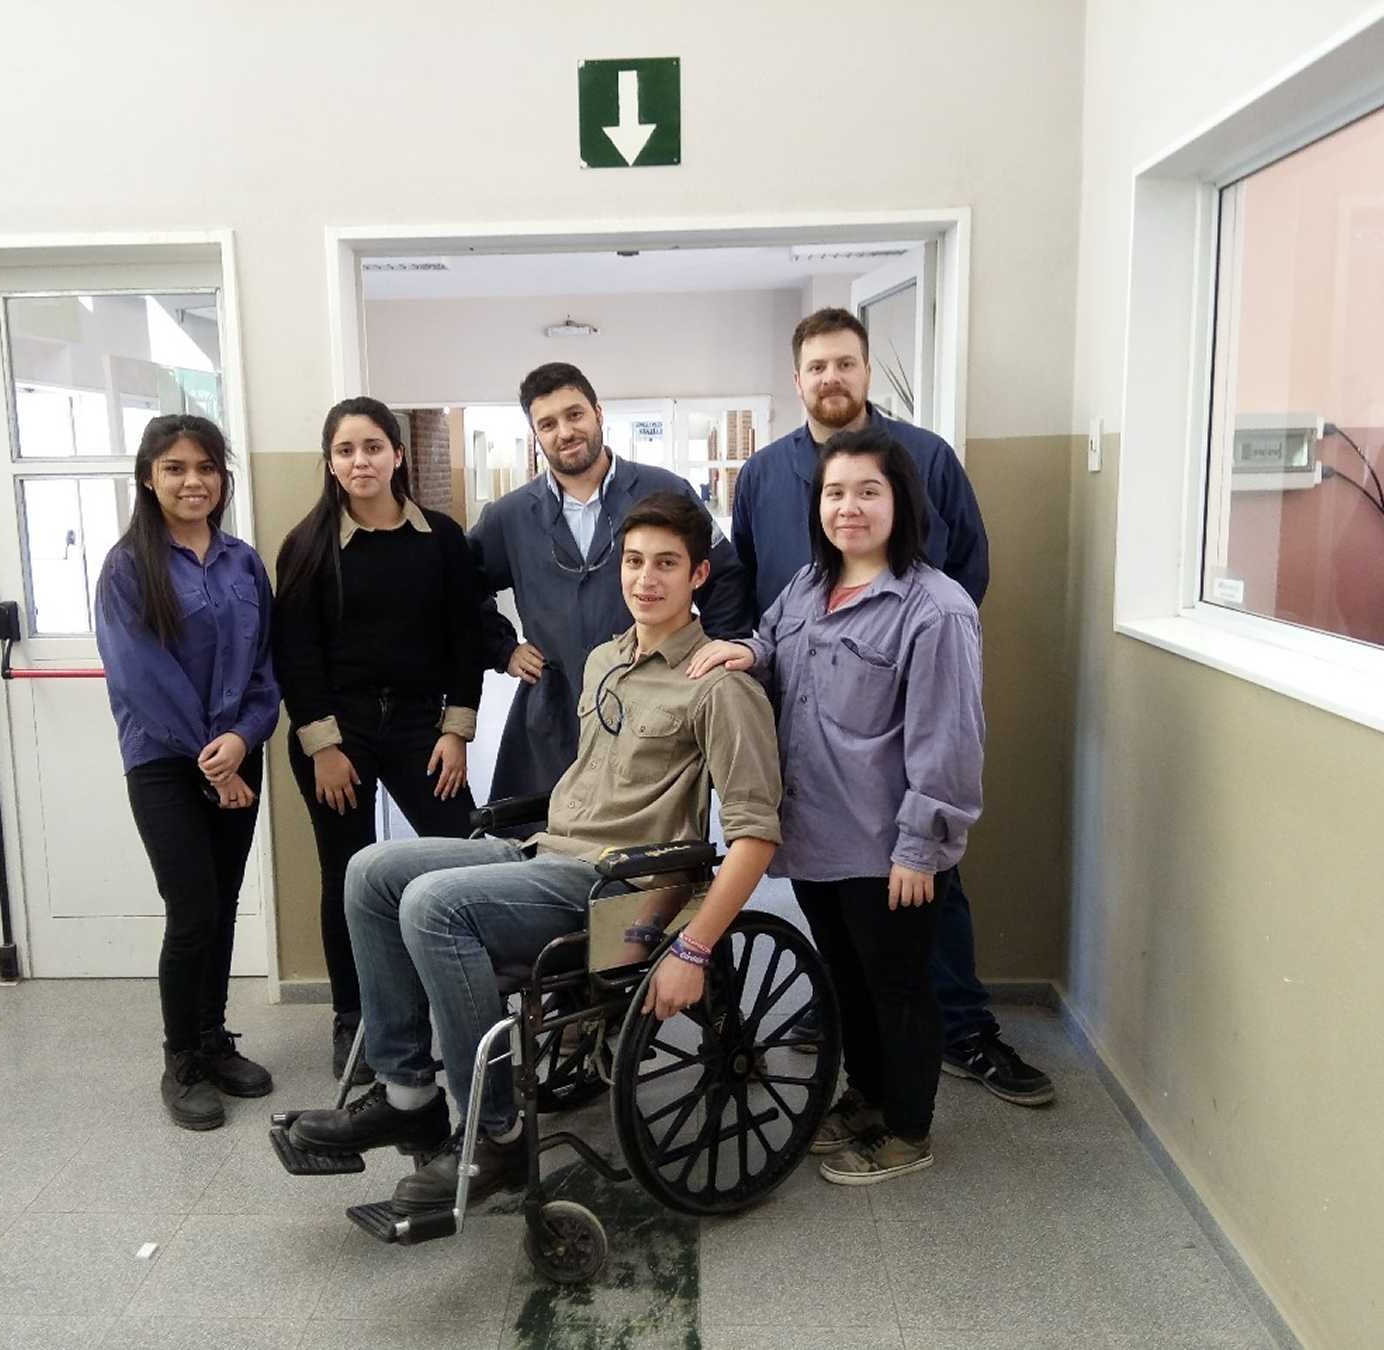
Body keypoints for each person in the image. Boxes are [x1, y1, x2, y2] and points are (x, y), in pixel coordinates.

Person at [287, 491, 782, 1215]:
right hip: (548, 850)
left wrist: (694, 950)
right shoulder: (606, 660)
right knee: (370, 871)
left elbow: (756, 836)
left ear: (699, 576)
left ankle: (497, 1132)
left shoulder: (720, 685)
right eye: (636, 561)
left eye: (668, 565)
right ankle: (408, 1096)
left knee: (433, 905)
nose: (647, 579)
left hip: (620, 886)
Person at [730, 307, 1051, 1106]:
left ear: (867, 371)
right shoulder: (767, 479)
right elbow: (760, 595)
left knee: (922, 895)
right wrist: (750, 651)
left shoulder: (928, 465)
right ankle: (853, 1029)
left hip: (897, 744)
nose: (831, 378)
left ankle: (965, 1032)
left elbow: (964, 575)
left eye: (846, 363)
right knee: (845, 924)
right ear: (796, 378)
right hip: (810, 747)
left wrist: (910, 653)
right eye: (816, 366)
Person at [690, 427, 984, 1183]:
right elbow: (775, 642)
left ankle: (907, 1130)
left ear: (900, 502)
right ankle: (866, 1096)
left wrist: (921, 846)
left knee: (899, 992)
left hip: (888, 847)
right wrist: (745, 652)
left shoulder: (935, 609)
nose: (848, 507)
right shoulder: (807, 588)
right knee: (846, 984)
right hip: (818, 836)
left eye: (867, 491)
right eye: (834, 492)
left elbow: (948, 742)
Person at [272, 397, 484, 1085]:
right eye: (345, 450)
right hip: (339, 730)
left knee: (466, 855)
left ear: (397, 454)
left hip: (423, 724)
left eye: (372, 447)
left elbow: (465, 639)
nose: (359, 461)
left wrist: (456, 732)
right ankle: (352, 1017)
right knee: (347, 874)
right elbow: (294, 656)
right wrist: (323, 746)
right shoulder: (307, 545)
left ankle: (472, 1006)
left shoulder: (442, 538)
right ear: (330, 462)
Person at [94, 413, 280, 1131]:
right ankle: (181, 1061)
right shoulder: (128, 567)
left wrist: (243, 740)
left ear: (222, 478)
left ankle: (213, 1037)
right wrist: (214, 756)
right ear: (149, 478)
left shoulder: (242, 562)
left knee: (225, 901)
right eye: (174, 468)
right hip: (166, 762)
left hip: (237, 753)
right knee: (193, 910)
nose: (192, 481)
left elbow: (265, 666)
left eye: (204, 467)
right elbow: (142, 675)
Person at [470, 362, 753, 802]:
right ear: (535, 435)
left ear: (599, 413)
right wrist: (502, 647)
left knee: (644, 836)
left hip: (653, 704)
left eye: (575, 414)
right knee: (543, 837)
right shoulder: (508, 517)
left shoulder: (666, 490)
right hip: (553, 707)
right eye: (547, 424)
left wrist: (716, 655)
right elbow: (460, 587)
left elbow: (725, 575)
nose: (564, 431)